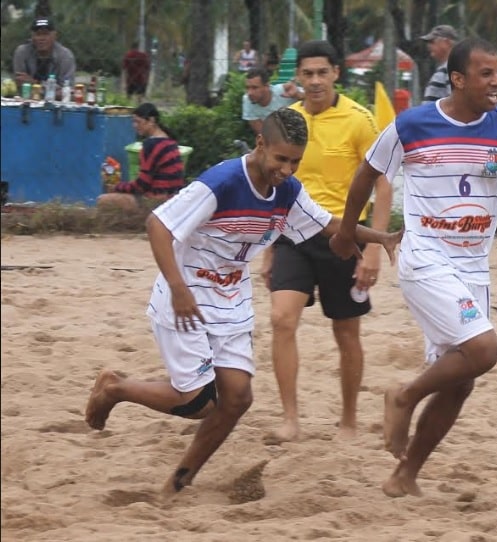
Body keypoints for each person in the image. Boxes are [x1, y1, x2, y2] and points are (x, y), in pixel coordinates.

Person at [85, 108, 402, 496]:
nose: (287, 169)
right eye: (281, 159)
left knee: (237, 398)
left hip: (231, 301)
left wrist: (379, 237)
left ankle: (179, 481)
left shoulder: (287, 191)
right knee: (198, 402)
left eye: (296, 161)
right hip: (186, 297)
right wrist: (178, 287)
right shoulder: (223, 181)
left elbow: (327, 224)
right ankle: (115, 387)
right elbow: (158, 225)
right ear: (260, 145)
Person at [329, 37, 497, 498]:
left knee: (461, 383)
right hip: (424, 257)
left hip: (473, 268)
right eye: (486, 74)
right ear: (459, 79)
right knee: (484, 350)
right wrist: (347, 232)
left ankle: (405, 474)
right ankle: (403, 394)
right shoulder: (413, 124)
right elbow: (366, 174)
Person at [261, 40, 393, 443]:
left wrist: (373, 248)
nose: (315, 81)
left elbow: (383, 183)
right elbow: (273, 184)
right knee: (281, 319)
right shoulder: (286, 119)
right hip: (292, 236)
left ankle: (349, 423)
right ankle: (290, 419)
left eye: (322, 72)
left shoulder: (359, 119)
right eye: (307, 73)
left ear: (336, 73)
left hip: (344, 237)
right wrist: (267, 247)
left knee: (346, 332)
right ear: (297, 78)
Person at [97, 103, 184, 210]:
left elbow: (142, 185)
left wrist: (117, 187)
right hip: (174, 199)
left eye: (138, 121)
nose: (134, 125)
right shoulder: (170, 141)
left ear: (151, 121)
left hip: (156, 201)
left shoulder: (151, 145)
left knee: (102, 200)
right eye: (133, 121)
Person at [13, 16, 76, 94]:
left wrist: (35, 83)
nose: (41, 38)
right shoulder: (22, 52)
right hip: (27, 100)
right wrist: (52, 89)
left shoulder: (65, 56)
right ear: (32, 36)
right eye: (38, 34)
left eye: (46, 34)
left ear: (55, 36)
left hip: (57, 104)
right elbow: (20, 85)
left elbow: (68, 92)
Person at [242, 67, 303, 135]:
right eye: (247, 88)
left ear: (267, 86)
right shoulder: (247, 100)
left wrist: (299, 95)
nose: (250, 93)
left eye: (255, 88)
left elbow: (312, 99)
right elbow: (262, 134)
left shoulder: (284, 90)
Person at [420, 24, 458, 102]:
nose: (428, 46)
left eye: (432, 42)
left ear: (446, 42)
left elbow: (457, 103)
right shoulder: (447, 67)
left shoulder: (453, 67)